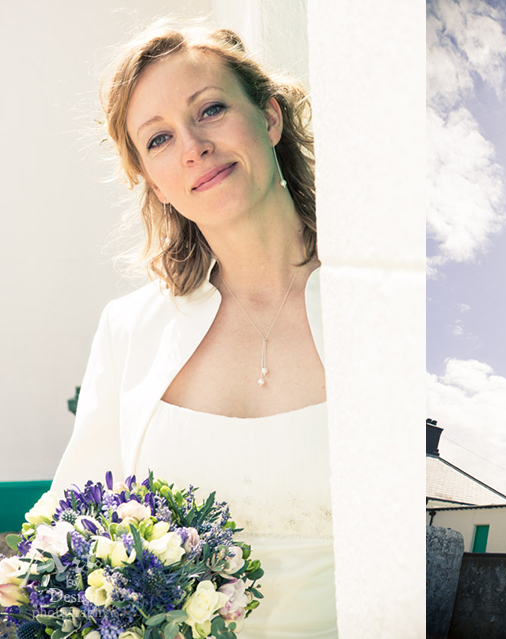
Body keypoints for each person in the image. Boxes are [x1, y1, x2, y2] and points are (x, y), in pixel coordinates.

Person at [50, 22, 337, 638]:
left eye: (210, 109)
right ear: (152, 181)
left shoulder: (372, 305)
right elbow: (71, 517)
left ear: (270, 117)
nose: (192, 147)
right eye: (158, 140)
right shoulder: (129, 328)